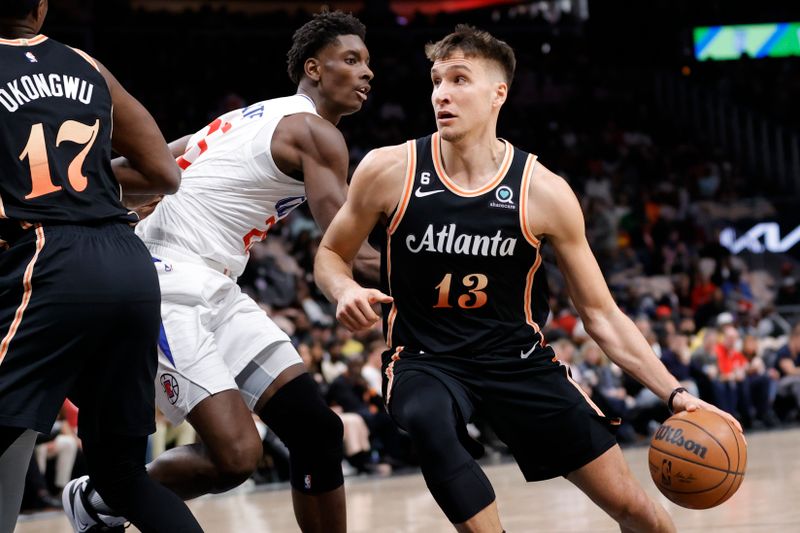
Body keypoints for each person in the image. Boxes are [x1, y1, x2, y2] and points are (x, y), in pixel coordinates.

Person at [314, 25, 743, 532]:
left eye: (459, 79)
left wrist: (675, 394)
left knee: (636, 511)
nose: (442, 93)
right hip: (426, 359)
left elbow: (601, 315)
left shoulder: (543, 192)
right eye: (436, 81)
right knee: (429, 420)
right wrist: (344, 289)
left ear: (499, 93)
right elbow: (331, 254)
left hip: (517, 361)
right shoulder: (390, 170)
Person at [64, 10, 376, 533]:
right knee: (235, 457)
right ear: (314, 69)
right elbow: (347, 248)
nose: (367, 72)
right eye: (351, 59)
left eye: (368, 62)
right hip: (165, 284)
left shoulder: (244, 118)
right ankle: (98, 498)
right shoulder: (315, 132)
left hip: (218, 285)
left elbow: (144, 170)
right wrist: (440, 274)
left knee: (315, 429)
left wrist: (89, 192)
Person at [0, 1, 202, 532]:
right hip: (126, 259)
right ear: (40, 8)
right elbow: (164, 173)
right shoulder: (87, 65)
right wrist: (86, 184)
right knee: (122, 476)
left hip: (45, 258)